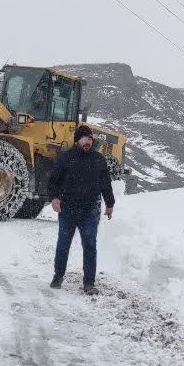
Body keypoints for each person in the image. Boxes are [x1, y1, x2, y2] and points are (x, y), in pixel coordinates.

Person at [48, 125, 116, 295]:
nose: (88, 141)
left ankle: (89, 282)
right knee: (63, 243)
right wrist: (54, 198)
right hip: (68, 208)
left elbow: (105, 183)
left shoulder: (98, 159)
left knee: (90, 244)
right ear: (77, 140)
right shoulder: (66, 158)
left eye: (90, 139)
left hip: (90, 210)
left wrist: (109, 204)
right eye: (85, 138)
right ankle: (58, 275)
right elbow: (53, 180)